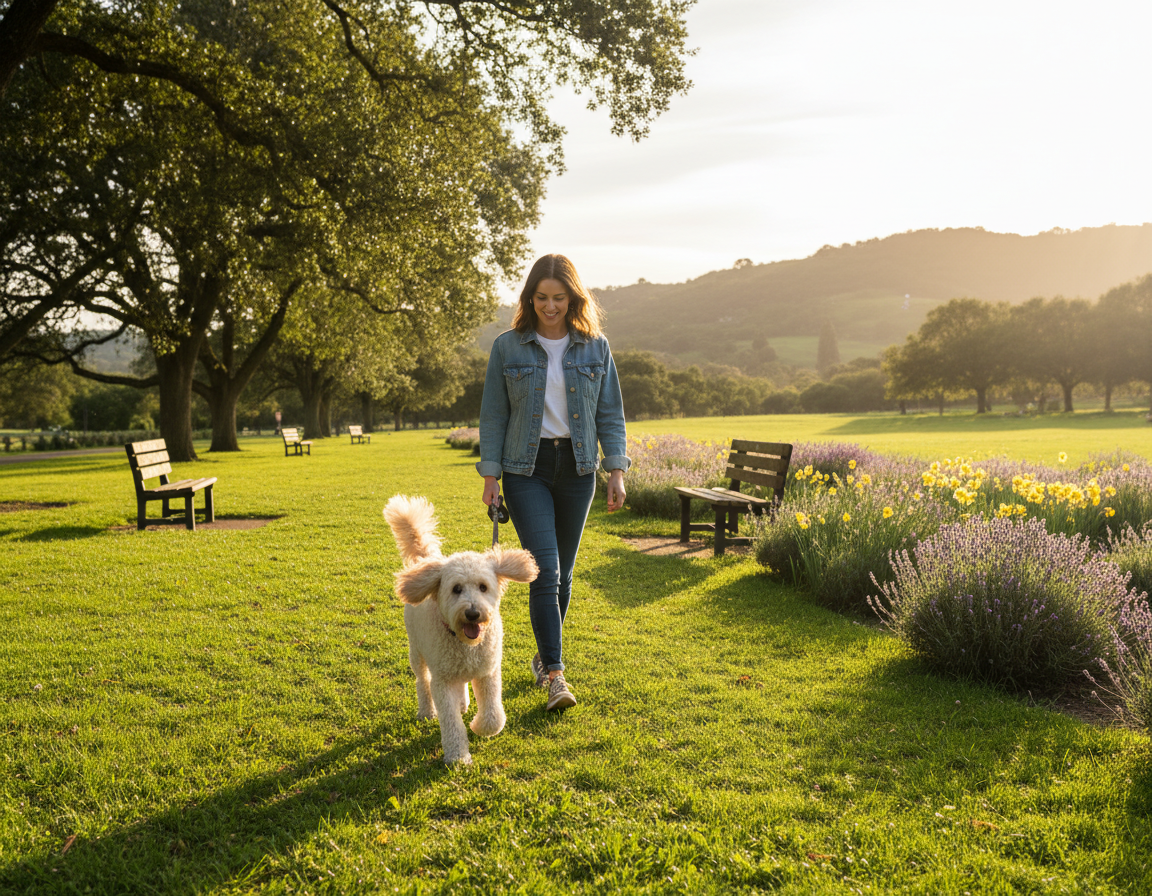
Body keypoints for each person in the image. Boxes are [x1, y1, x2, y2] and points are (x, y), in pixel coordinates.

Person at [477, 254, 629, 711]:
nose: (550, 306)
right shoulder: (508, 347)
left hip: (579, 469)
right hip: (527, 469)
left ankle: (543, 658)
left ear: (573, 297)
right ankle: (557, 677)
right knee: (545, 570)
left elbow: (610, 414)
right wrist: (490, 476)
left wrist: (615, 470)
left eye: (558, 298)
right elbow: (493, 414)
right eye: (541, 297)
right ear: (530, 298)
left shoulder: (595, 346)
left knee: (562, 578)